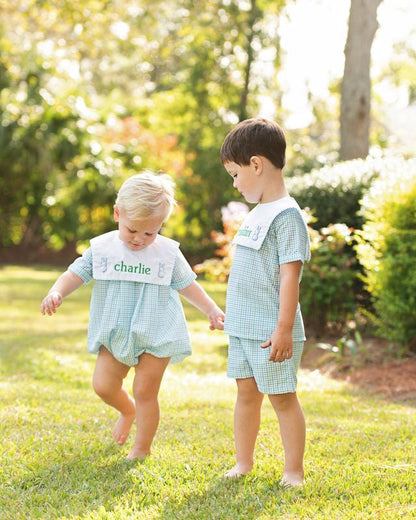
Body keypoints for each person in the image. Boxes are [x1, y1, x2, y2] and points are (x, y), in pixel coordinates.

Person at [41, 171, 225, 460]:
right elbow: (76, 272)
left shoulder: (166, 253)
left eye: (150, 232)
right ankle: (128, 411)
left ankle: (141, 448)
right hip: (116, 331)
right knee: (103, 386)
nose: (140, 239)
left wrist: (212, 310)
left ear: (160, 226)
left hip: (157, 331)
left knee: (145, 391)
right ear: (117, 214)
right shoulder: (103, 248)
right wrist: (57, 292)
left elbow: (188, 285)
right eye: (132, 230)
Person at [220, 118, 310, 486]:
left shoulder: (287, 216)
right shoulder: (256, 214)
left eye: (234, 174)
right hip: (243, 327)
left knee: (282, 398)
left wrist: (284, 329)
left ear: (256, 164)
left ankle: (294, 470)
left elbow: (290, 276)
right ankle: (244, 462)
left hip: (271, 332)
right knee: (246, 393)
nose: (235, 183)